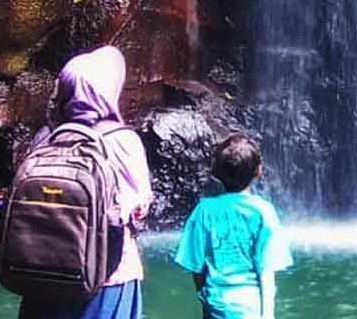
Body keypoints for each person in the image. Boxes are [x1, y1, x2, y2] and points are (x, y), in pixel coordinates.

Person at [19, 46, 153, 319]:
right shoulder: (121, 139)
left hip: (43, 270)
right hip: (107, 274)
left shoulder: (45, 136)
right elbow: (140, 206)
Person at [174, 134, 294, 319]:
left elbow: (196, 268)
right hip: (251, 308)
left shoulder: (204, 210)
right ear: (259, 170)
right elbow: (266, 269)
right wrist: (268, 315)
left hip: (216, 305)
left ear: (217, 173)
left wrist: (204, 298)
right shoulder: (262, 211)